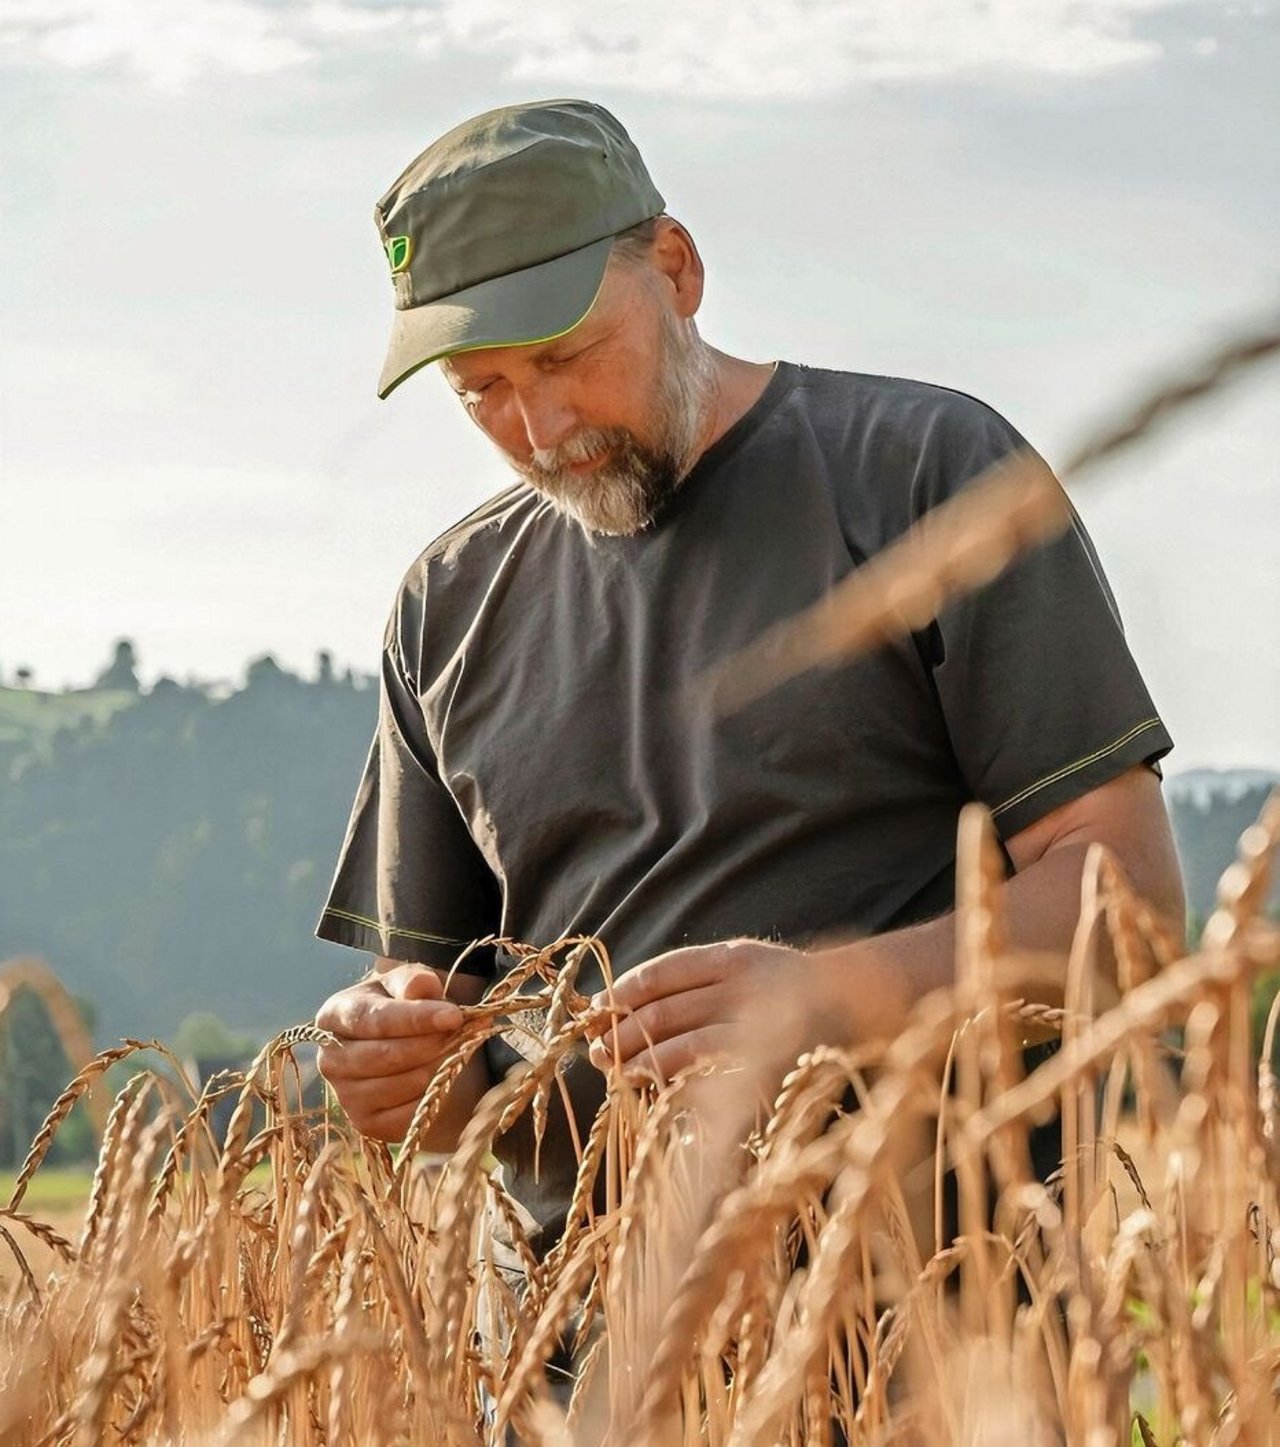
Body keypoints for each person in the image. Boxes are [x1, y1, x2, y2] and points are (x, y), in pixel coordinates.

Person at [312, 98, 1185, 1252]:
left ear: (674, 269)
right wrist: (387, 1063)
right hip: (584, 1356)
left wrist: (824, 999)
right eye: (479, 390)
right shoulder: (444, 604)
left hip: (944, 1317)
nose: (540, 424)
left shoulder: (927, 474)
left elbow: (1124, 901)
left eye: (565, 354)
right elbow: (436, 1012)